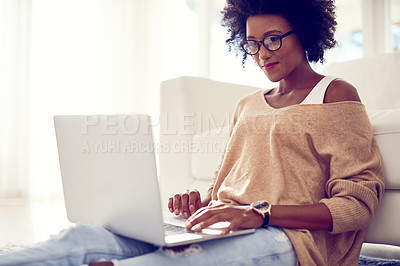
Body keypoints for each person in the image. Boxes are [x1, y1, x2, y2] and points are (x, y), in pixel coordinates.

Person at [0, 0, 384, 265]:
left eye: (273, 39)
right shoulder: (247, 105)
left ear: (305, 33)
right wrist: (199, 203)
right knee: (86, 238)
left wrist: (259, 214)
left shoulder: (335, 95)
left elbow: (357, 206)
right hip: (226, 224)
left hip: (290, 240)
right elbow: (227, 189)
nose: (263, 53)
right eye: (252, 43)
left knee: (159, 261)